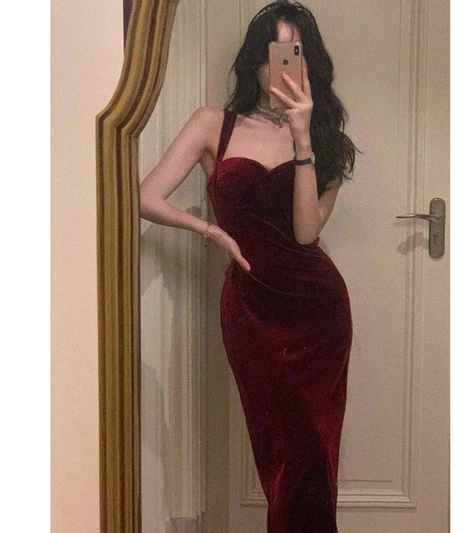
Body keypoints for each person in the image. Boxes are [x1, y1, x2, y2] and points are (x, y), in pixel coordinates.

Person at [140, 2, 360, 531]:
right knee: (279, 452)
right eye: (270, 53)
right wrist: (211, 231)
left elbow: (305, 232)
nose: (279, 68)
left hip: (318, 315)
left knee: (312, 453)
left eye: (293, 53)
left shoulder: (328, 141)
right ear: (253, 61)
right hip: (251, 312)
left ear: (309, 62)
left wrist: (302, 138)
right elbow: (146, 197)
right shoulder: (213, 125)